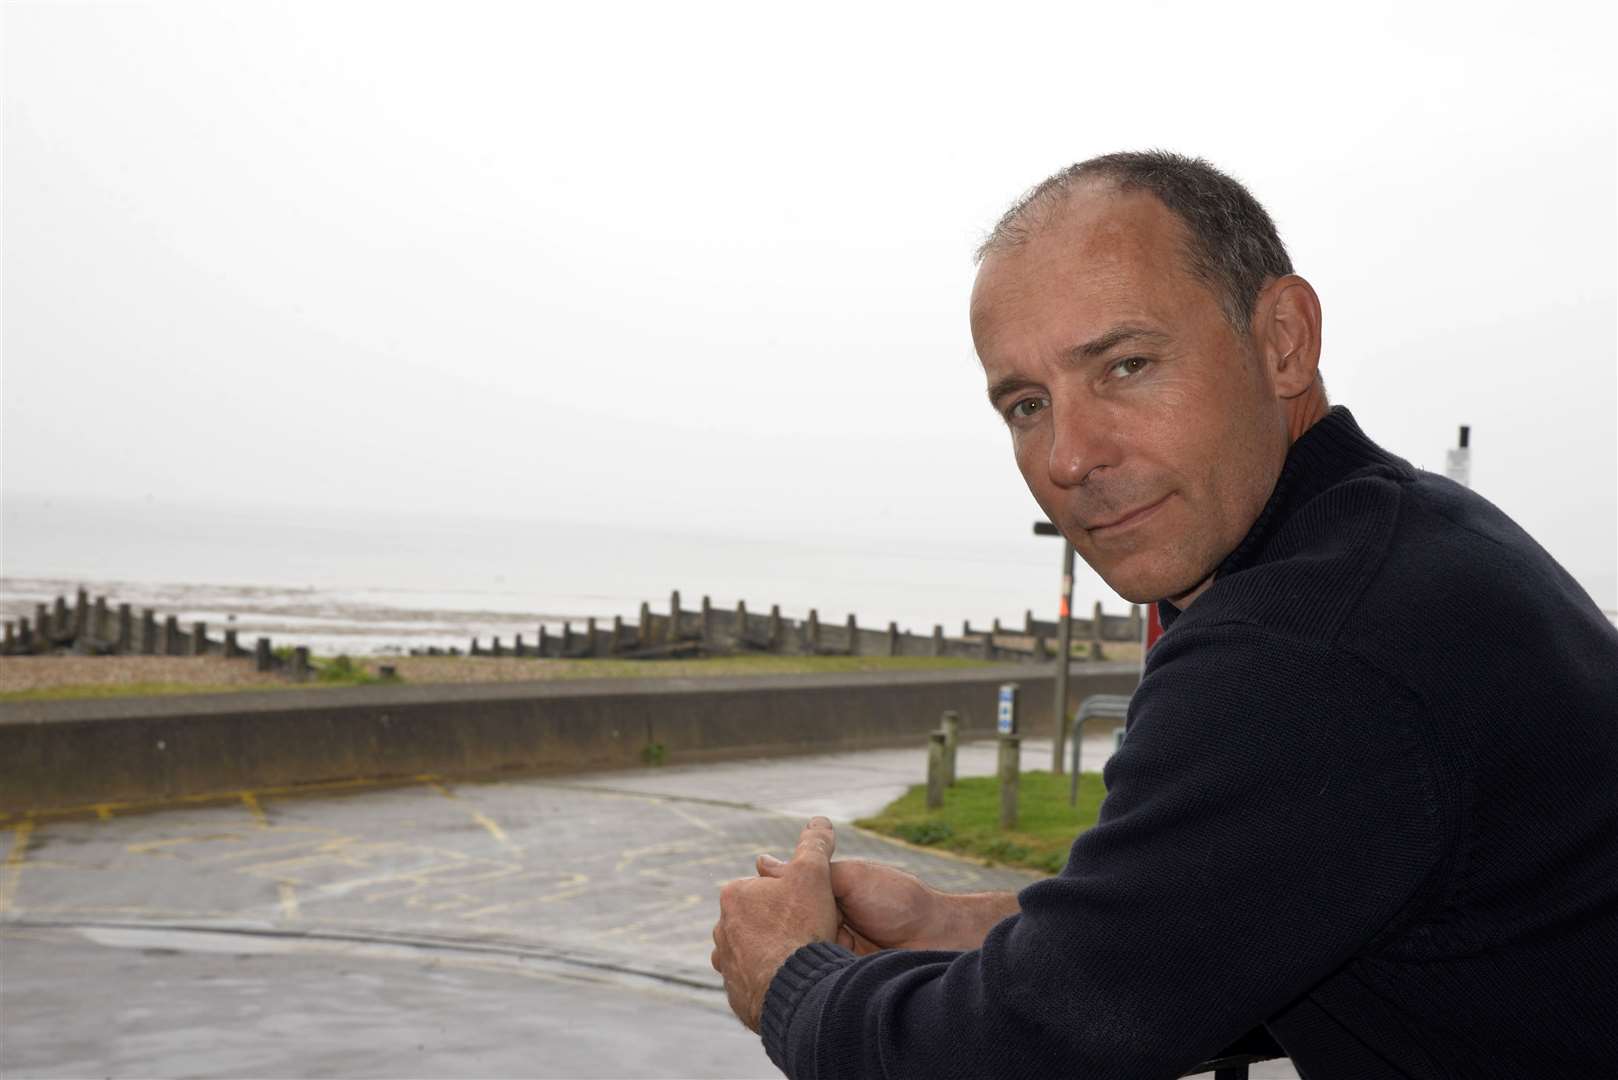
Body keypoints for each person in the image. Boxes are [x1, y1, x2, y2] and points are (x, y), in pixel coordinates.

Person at [710, 152, 1618, 1078]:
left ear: (1283, 341)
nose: (1068, 457)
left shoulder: (1305, 647)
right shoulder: (1408, 544)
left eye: (1126, 365)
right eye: (1027, 405)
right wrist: (952, 928)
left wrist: (788, 975)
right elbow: (1255, 936)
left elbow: (1018, 1052)